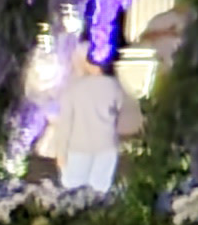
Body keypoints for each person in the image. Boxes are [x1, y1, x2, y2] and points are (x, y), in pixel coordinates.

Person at [46, 32, 136, 196]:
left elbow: (65, 125)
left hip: (77, 149)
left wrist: (60, 153)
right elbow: (123, 115)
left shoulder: (72, 89)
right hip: (106, 147)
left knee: (72, 199)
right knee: (100, 199)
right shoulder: (114, 86)